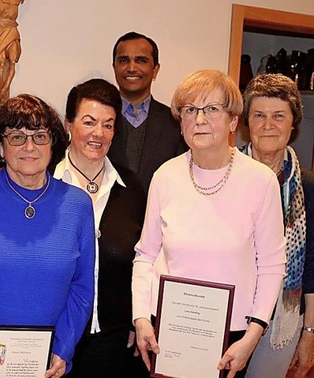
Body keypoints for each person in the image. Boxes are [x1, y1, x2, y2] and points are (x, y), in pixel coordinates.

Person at [132, 70, 286, 377]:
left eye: (212, 109)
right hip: (166, 329)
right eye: (190, 110)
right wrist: (140, 319)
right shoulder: (165, 176)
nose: (199, 119)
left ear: (232, 121)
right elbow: (145, 255)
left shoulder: (261, 181)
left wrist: (251, 338)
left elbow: (272, 266)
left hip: (232, 338)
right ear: (181, 122)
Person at [0, 94, 96, 378]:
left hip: (46, 364)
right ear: (0, 145)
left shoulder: (78, 205)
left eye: (39, 136)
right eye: (17, 137)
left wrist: (64, 348)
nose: (30, 147)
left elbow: (82, 289)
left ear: (54, 143)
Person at [55, 79, 146, 377]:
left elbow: (145, 261)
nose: (99, 133)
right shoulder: (44, 183)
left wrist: (136, 319)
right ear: (69, 124)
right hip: (53, 334)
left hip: (113, 340)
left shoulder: (131, 188)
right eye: (89, 122)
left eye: (108, 125)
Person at [239, 74, 314, 378]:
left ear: (292, 124)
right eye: (259, 115)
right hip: (230, 312)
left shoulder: (309, 186)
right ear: (247, 123)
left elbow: (312, 264)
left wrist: (309, 331)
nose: (268, 124)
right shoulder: (225, 174)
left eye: (278, 116)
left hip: (282, 319)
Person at [108, 31, 187, 193]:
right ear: (114, 67)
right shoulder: (99, 122)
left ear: (155, 69)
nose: (131, 68)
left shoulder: (176, 122)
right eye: (124, 60)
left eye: (141, 60)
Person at [0, 0, 24, 106]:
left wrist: (5, 88)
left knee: (12, 62)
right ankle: (0, 90)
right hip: (0, 28)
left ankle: (4, 89)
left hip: (12, 29)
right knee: (0, 64)